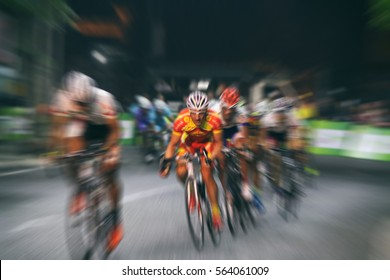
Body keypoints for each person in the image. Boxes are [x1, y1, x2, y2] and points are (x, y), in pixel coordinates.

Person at [49, 71, 123, 253]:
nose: (82, 106)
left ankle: (114, 219)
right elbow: (58, 129)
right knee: (72, 150)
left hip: (104, 128)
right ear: (69, 97)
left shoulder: (104, 99)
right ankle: (81, 187)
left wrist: (109, 151)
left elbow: (115, 131)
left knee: (111, 165)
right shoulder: (62, 100)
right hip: (82, 128)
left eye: (85, 103)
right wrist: (57, 151)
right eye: (78, 103)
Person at [159, 91, 224, 230]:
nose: (198, 117)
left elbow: (218, 143)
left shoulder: (215, 119)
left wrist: (210, 158)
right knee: (181, 171)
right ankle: (191, 191)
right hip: (187, 145)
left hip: (207, 145)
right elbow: (172, 145)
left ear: (207, 110)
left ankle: (215, 212)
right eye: (194, 112)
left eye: (201, 112)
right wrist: (167, 163)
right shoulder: (181, 120)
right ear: (189, 111)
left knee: (207, 174)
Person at [210, 87, 253, 201]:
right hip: (220, 132)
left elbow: (244, 135)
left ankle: (245, 185)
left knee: (241, 150)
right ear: (221, 105)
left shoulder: (241, 113)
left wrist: (243, 147)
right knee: (220, 161)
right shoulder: (213, 113)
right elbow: (209, 136)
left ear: (236, 107)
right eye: (226, 108)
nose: (229, 111)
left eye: (232, 109)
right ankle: (227, 192)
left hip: (234, 131)